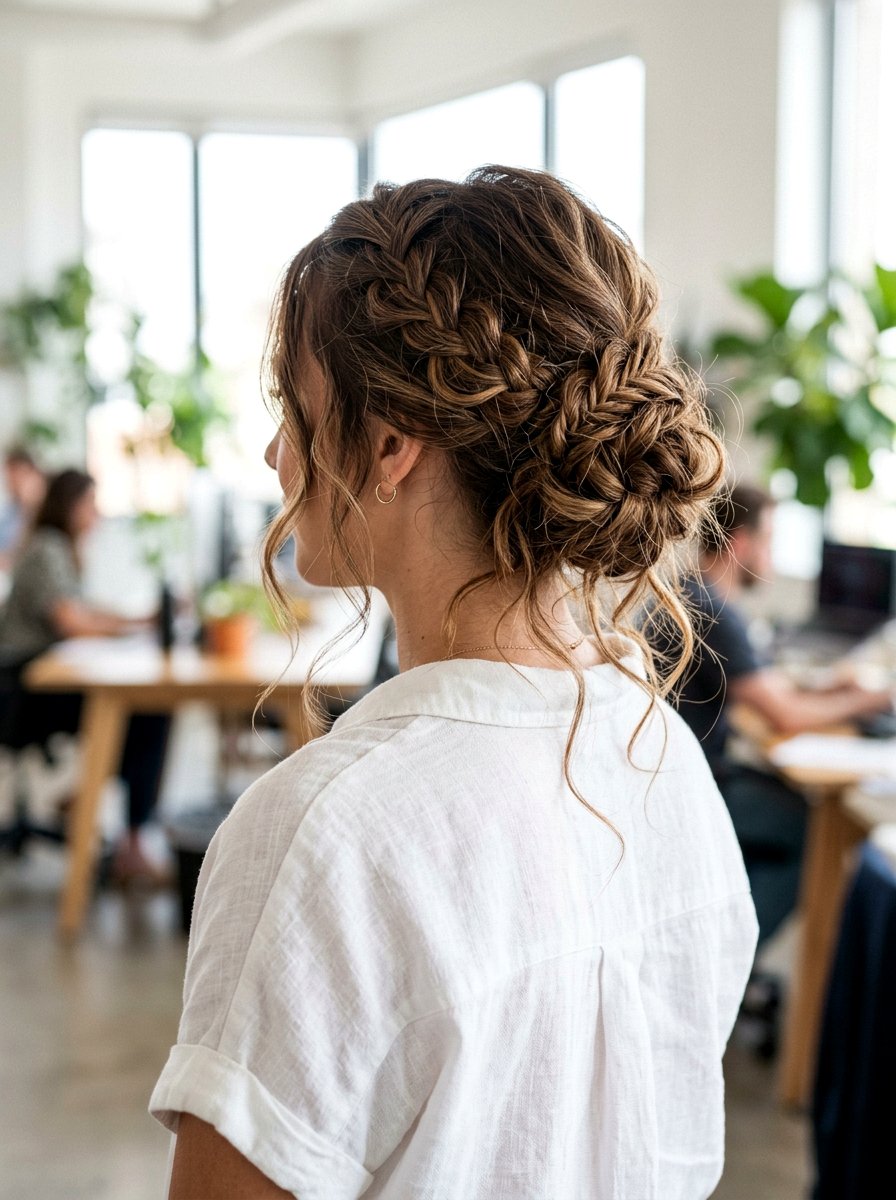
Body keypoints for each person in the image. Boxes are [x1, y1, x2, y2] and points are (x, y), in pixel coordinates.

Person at [150, 166, 758, 1199]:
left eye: (296, 409)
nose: (274, 451)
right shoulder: (661, 762)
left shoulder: (325, 835)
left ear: (390, 442)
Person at [668, 483, 892, 948]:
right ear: (741, 543)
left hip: (684, 775)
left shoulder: (691, 593)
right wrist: (875, 699)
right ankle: (728, 956)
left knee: (790, 807)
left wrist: (831, 687)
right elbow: (785, 714)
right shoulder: (712, 611)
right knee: (811, 831)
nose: (771, 556)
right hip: (690, 790)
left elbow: (769, 688)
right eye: (769, 540)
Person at [0, 468, 170, 881]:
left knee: (144, 708)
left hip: (37, 684)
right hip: (21, 695)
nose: (96, 514)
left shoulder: (60, 549)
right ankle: (127, 838)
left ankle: (87, 795)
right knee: (147, 711)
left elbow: (86, 610)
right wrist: (134, 628)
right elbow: (73, 622)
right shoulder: (47, 548)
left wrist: (138, 620)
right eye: (90, 504)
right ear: (69, 505)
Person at [0, 446, 46, 570]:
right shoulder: (10, 511)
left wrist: (28, 505)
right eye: (9, 476)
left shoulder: (43, 511)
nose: (10, 482)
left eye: (17, 475)